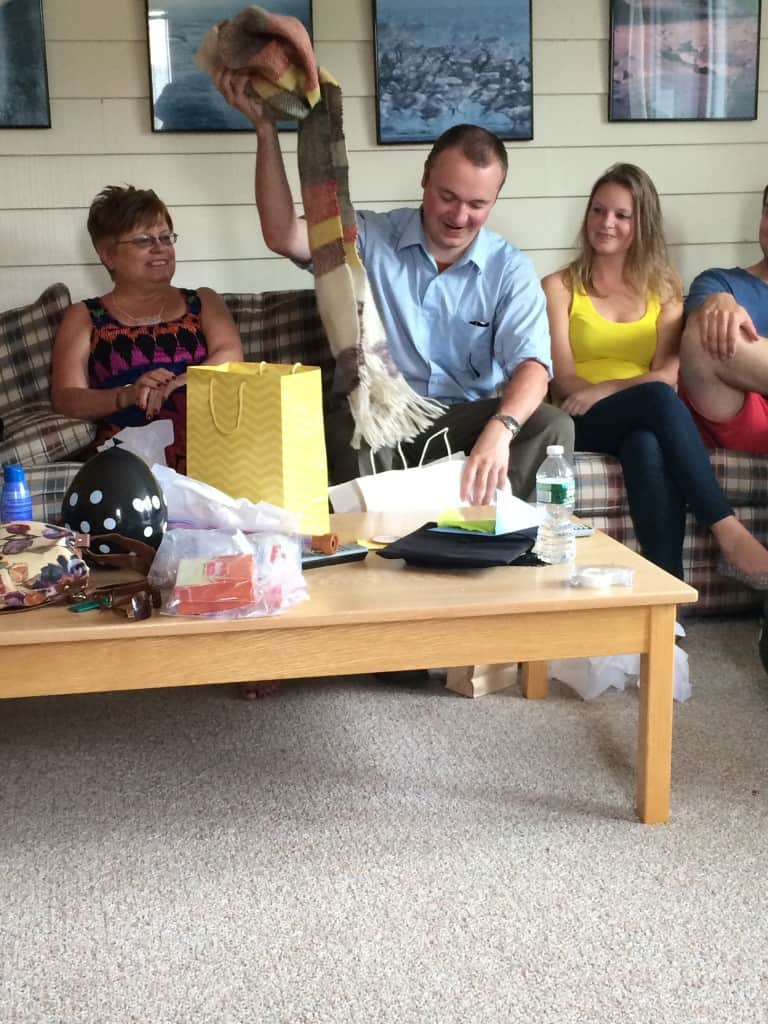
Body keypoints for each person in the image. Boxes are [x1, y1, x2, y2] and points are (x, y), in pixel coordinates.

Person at [215, 70, 573, 504]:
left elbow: (534, 366)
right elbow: (282, 233)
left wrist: (501, 429)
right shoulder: (367, 239)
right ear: (425, 179)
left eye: (478, 204)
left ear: (495, 199)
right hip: (381, 417)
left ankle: (501, 546)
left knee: (553, 425)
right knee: (353, 424)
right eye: (448, 196)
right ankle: (371, 556)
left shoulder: (509, 268)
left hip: (463, 420)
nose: (460, 216)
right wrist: (266, 130)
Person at [542, 163, 768, 584]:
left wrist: (609, 388)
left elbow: (668, 373)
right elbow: (564, 379)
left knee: (645, 441)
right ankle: (728, 530)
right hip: (580, 416)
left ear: (640, 223)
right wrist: (599, 394)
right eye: (598, 211)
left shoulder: (663, 289)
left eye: (621, 215)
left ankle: (670, 605)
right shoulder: (558, 286)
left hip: (639, 410)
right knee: (657, 402)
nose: (606, 223)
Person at [51, 185, 243, 473]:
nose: (161, 247)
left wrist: (181, 382)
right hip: (129, 459)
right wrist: (127, 394)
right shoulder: (85, 315)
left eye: (166, 237)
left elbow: (230, 356)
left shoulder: (202, 300)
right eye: (144, 240)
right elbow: (67, 397)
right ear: (107, 255)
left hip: (212, 446)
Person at [679, 185, 768, 458]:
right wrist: (717, 301)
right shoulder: (719, 281)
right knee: (702, 335)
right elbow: (698, 341)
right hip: (748, 420)